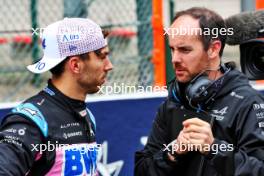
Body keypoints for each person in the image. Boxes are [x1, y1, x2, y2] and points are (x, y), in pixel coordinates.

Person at [135, 7, 264, 176]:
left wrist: (214, 148)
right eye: (172, 49)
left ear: (213, 48)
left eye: (185, 50)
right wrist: (171, 153)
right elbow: (141, 170)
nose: (174, 59)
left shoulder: (247, 103)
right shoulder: (174, 101)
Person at [0, 18, 113, 175]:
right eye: (102, 57)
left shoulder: (87, 115)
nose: (109, 65)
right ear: (75, 65)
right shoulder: (32, 121)